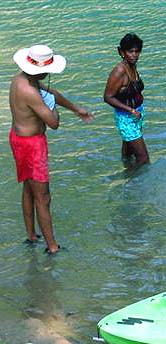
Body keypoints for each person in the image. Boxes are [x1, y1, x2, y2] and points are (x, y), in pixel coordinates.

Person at [9, 44, 94, 254]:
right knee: (43, 197)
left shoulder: (21, 79)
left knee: (28, 188)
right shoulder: (30, 92)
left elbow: (52, 92)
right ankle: (52, 247)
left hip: (18, 139)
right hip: (32, 145)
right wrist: (53, 109)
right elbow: (53, 123)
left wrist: (76, 109)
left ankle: (31, 235)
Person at [104, 33, 149, 168]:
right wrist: (130, 110)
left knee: (129, 151)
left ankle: (127, 174)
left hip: (136, 114)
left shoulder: (132, 66)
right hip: (127, 117)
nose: (134, 55)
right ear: (122, 52)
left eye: (137, 51)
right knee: (143, 158)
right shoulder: (119, 71)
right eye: (130, 51)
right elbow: (107, 96)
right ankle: (135, 182)